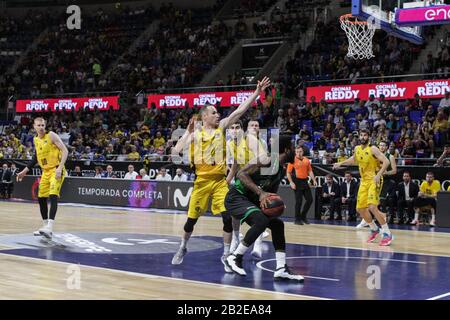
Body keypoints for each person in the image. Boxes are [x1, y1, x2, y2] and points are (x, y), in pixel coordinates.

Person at [170, 76, 271, 271]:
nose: (218, 115)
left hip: (219, 182)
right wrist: (186, 133)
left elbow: (240, 110)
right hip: (201, 182)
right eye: (214, 113)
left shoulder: (222, 127)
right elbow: (175, 153)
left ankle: (225, 255)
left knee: (227, 217)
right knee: (191, 220)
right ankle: (183, 247)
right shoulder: (194, 134)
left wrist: (256, 93)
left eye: (217, 113)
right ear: (204, 116)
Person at [224, 135, 304, 281]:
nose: (296, 150)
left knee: (277, 224)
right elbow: (240, 174)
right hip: (236, 197)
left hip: (250, 201)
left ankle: (281, 268)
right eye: (293, 148)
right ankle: (235, 257)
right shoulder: (267, 159)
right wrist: (260, 193)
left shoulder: (279, 169)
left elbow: (269, 195)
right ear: (286, 150)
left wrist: (276, 203)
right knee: (261, 220)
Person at [333, 129, 394, 246]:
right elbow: (353, 160)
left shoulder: (373, 149)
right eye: (361, 135)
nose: (362, 137)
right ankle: (374, 228)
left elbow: (386, 162)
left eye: (365, 135)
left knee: (372, 206)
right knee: (360, 209)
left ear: (369, 137)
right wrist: (340, 163)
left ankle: (387, 233)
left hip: (374, 180)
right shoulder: (357, 149)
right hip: (364, 181)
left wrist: (379, 175)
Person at [16, 117, 68, 239]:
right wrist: (24, 171)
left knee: (53, 195)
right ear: (34, 127)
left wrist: (60, 168)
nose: (41, 127)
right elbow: (35, 159)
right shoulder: (35, 140)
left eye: (43, 125)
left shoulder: (51, 135)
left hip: (56, 169)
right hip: (45, 171)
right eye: (39, 125)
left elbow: (65, 151)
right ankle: (45, 226)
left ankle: (50, 227)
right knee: (41, 198)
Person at [227, 120, 268, 258]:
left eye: (237, 127)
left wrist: (246, 170)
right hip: (241, 179)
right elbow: (234, 165)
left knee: (261, 212)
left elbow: (264, 159)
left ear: (242, 129)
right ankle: (235, 237)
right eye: (231, 128)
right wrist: (227, 180)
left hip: (257, 178)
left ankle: (258, 242)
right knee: (234, 212)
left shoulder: (251, 140)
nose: (234, 130)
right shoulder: (230, 144)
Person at [286, 146, 317, 225]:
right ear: (295, 152)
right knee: (299, 201)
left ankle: (303, 216)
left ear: (303, 152)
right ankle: (297, 219)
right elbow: (288, 173)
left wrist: (313, 180)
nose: (299, 153)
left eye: (300, 151)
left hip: (304, 181)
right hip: (296, 181)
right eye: (297, 152)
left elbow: (310, 171)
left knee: (310, 200)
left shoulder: (306, 160)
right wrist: (291, 182)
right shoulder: (292, 160)